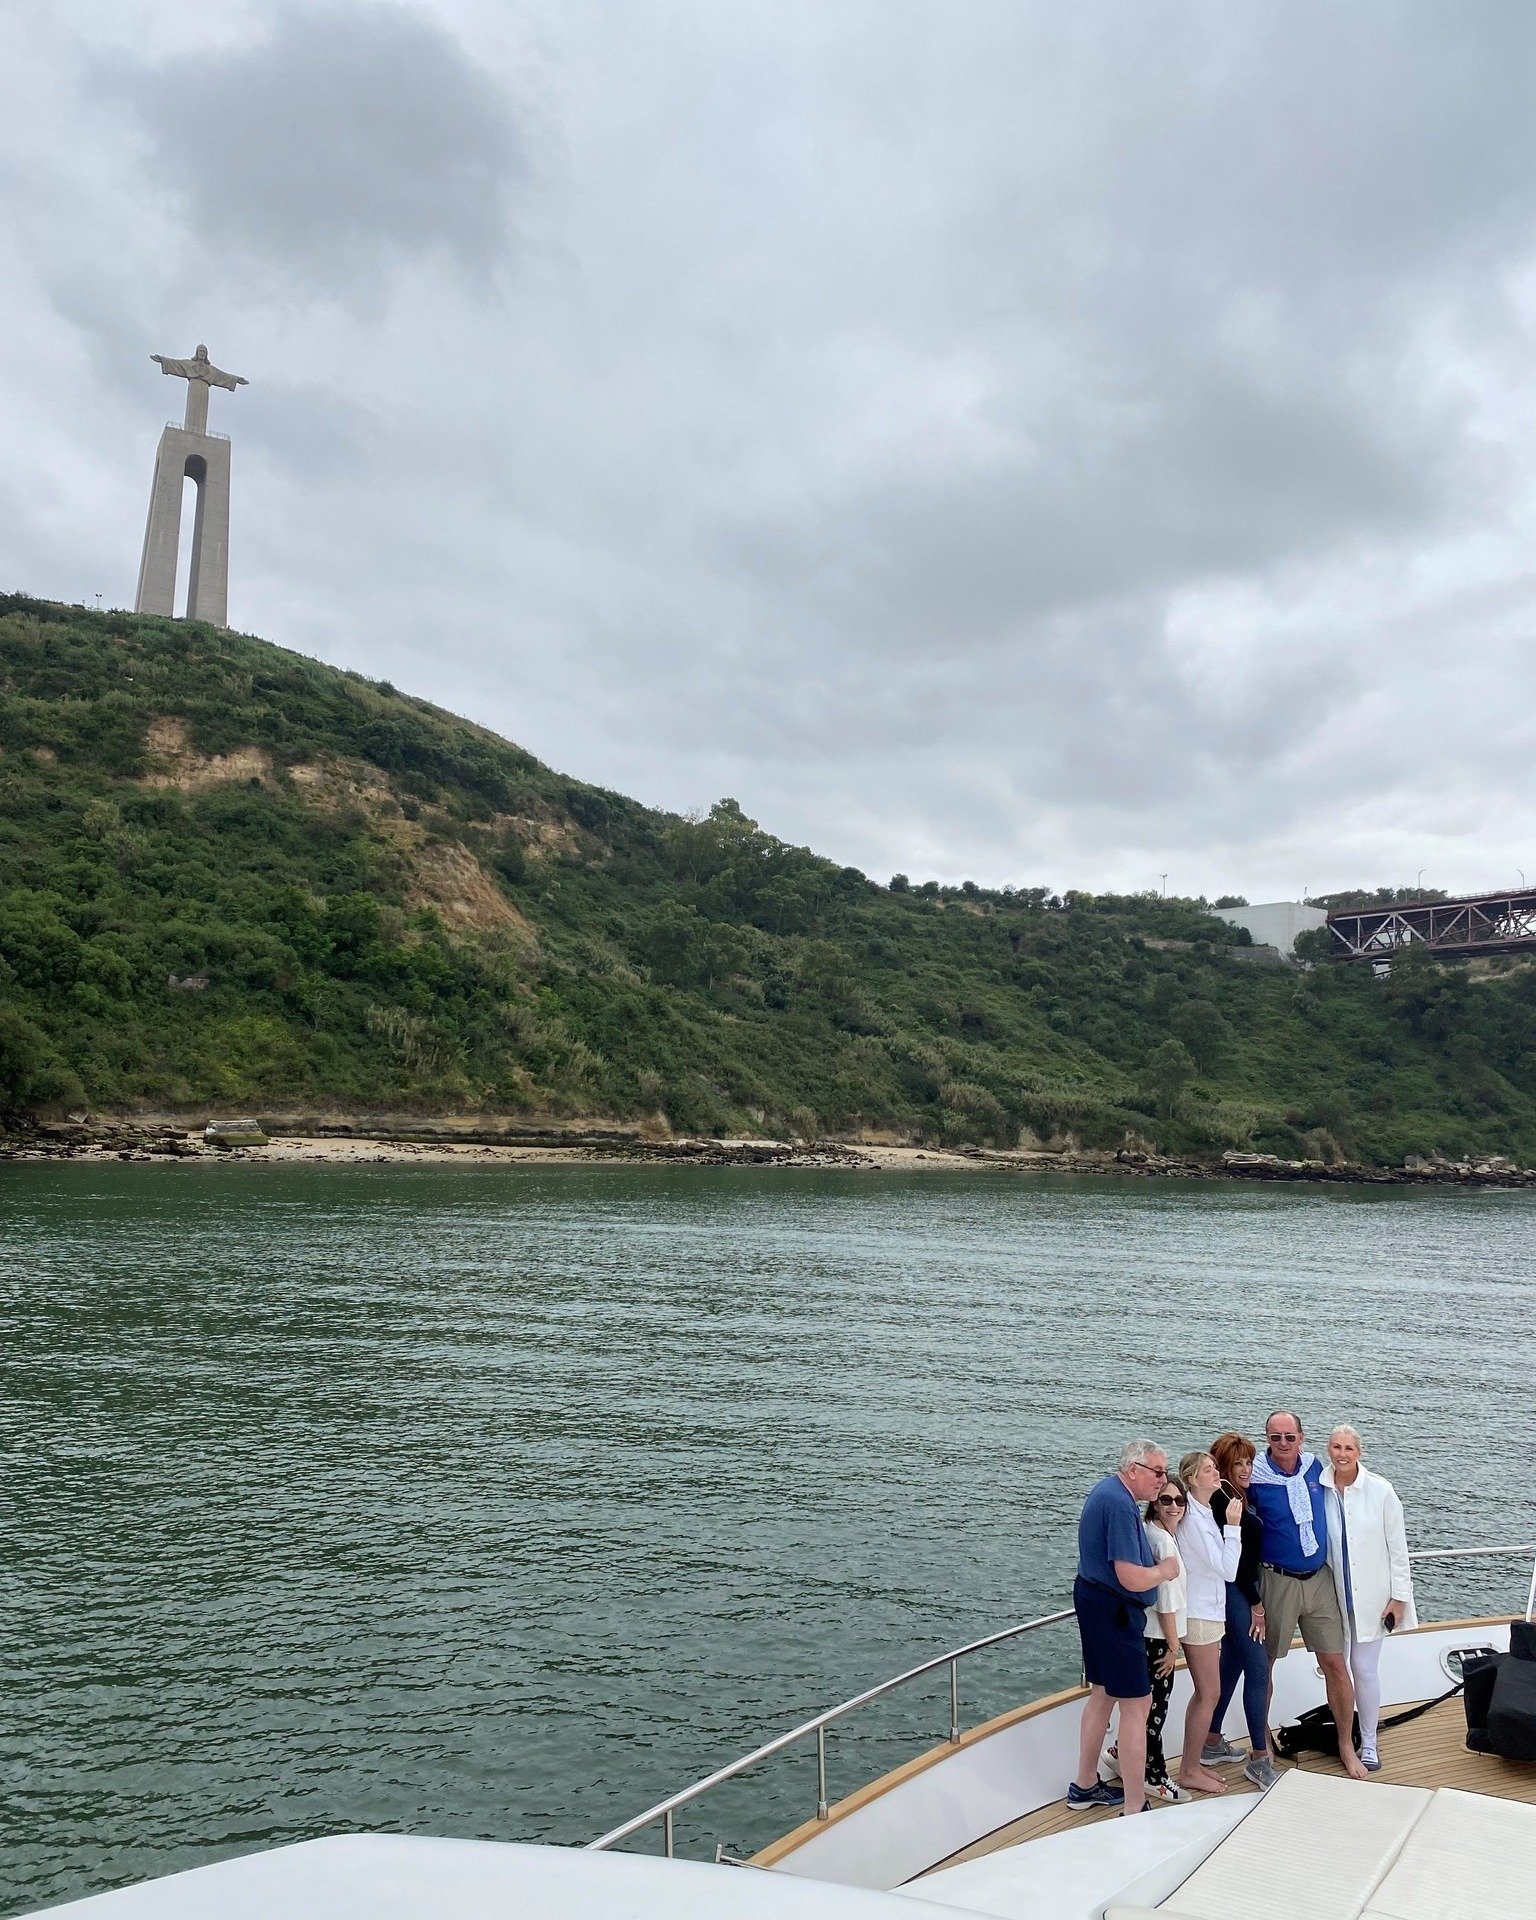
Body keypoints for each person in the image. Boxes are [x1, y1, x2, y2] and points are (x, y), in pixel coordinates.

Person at [1247, 1410, 1368, 1781]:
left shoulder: (1318, 1469)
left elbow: (1356, 1484)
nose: (1283, 1444)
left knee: (1335, 1663)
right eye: (1275, 1438)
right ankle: (1260, 1743)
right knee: (1264, 1666)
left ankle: (1347, 1746)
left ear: (1302, 1437)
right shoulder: (1254, 1477)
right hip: (1276, 1581)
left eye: (1289, 1437)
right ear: (1267, 1439)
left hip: (1319, 1580)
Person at [1069, 1440, 1179, 1815]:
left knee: (1102, 1694)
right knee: (1138, 1704)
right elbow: (1130, 1577)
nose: (1163, 1482)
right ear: (1134, 1469)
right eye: (1158, 1472)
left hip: (1094, 1601)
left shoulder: (1109, 1492)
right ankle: (1135, 1806)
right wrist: (1164, 1570)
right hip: (1114, 1612)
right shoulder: (1118, 1504)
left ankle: (1084, 1785)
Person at [1321, 1424, 1416, 1773]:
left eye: (1348, 1447)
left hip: (1373, 1597)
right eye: (1336, 1447)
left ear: (1359, 1452)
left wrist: (1399, 1597)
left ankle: (1370, 1742)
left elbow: (1399, 1549)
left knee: (1363, 1669)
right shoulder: (1320, 1486)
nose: (1342, 1454)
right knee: (1334, 1669)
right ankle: (1343, 1733)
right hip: (1331, 1596)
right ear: (1328, 1450)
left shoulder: (1380, 1491)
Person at [1204, 1431, 1279, 1790]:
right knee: (1257, 1667)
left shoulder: (1235, 1497)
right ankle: (1260, 1758)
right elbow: (1238, 1566)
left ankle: (1211, 1740)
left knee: (1231, 1666)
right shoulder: (1225, 1503)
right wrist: (1257, 1606)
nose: (1247, 1468)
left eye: (1249, 1462)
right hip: (1239, 1593)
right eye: (1238, 1464)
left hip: (1237, 1591)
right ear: (1223, 1468)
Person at [1174, 1450, 1242, 1794]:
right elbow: (1227, 1570)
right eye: (1208, 1469)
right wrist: (1233, 1527)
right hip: (1199, 1614)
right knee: (1209, 1693)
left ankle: (1191, 1765)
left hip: (1208, 1611)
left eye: (1215, 1467)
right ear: (1192, 1479)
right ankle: (1188, 1769)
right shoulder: (1194, 1522)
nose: (1216, 1472)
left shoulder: (1200, 1513)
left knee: (1205, 1694)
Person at [1139, 1474, 1191, 1802]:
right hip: (1159, 1639)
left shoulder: (1153, 1533)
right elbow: (1166, 1603)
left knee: (1145, 1707)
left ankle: (1121, 1753)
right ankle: (1154, 1775)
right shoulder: (1164, 1542)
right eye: (1166, 1500)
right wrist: (1174, 1647)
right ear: (1155, 1502)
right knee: (1155, 1710)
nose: (1174, 1507)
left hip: (1146, 1635)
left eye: (1179, 1501)